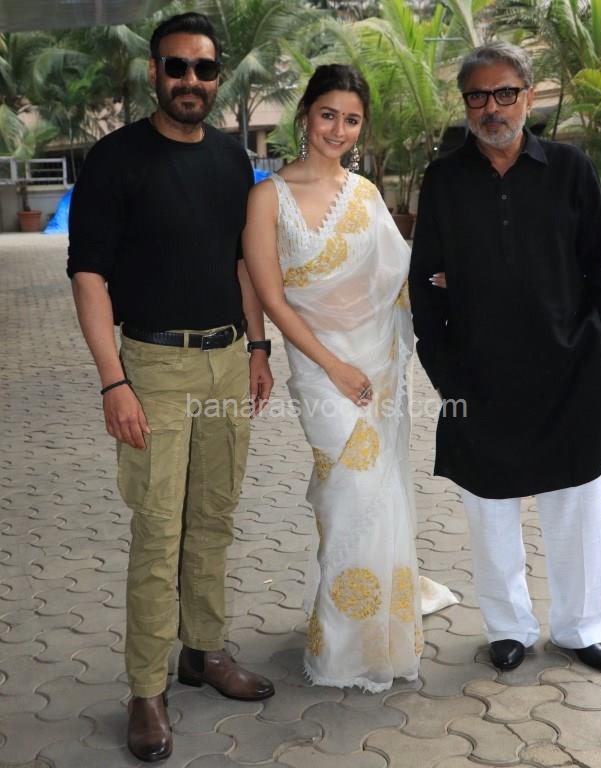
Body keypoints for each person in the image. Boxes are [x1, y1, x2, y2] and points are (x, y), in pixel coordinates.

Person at [67, 12, 275, 762]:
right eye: (177, 66)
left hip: (227, 360)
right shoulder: (114, 160)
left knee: (213, 518)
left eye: (204, 69)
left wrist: (258, 346)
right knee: (158, 532)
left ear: (218, 78)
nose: (191, 80)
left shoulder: (231, 160)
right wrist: (112, 381)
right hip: (153, 368)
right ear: (153, 72)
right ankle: (146, 689)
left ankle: (204, 652)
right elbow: (88, 275)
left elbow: (242, 262)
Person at [409, 41, 601, 674]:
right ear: (466, 104)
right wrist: (444, 370)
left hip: (569, 372)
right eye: (478, 96)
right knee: (489, 506)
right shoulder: (445, 179)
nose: (492, 107)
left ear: (528, 97)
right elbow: (425, 280)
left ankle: (580, 629)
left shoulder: (570, 169)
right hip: (477, 374)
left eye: (505, 93)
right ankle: (508, 628)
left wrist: (598, 357)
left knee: (576, 503)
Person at [242, 64, 454, 693]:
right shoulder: (267, 197)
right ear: (306, 115)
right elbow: (271, 295)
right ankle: (343, 641)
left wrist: (457, 280)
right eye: (328, 114)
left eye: (352, 119)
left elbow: (399, 275)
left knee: (378, 495)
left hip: (379, 366)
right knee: (348, 495)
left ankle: (379, 633)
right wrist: (330, 365)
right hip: (319, 368)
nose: (338, 129)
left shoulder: (364, 194)